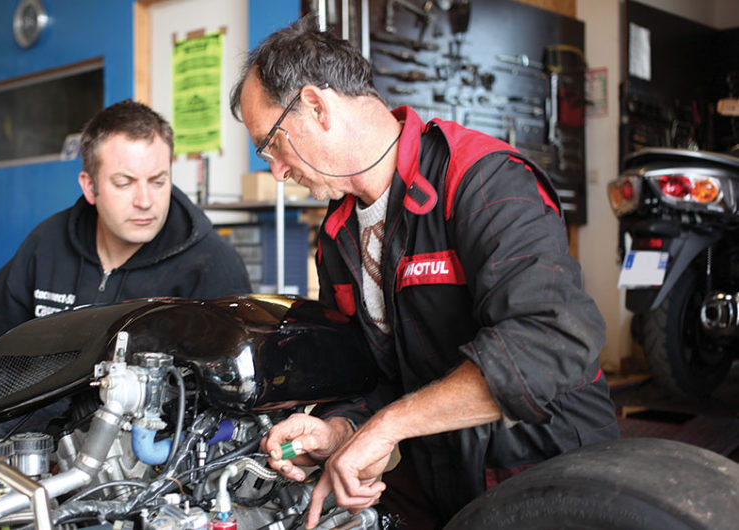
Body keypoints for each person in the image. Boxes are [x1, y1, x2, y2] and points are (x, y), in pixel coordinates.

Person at [230, 16, 619, 528]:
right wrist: (340, 430)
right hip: (437, 481)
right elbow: (367, 372)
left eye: (271, 143)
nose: (276, 170)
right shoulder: (338, 232)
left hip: (546, 471)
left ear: (317, 106)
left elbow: (551, 341)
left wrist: (389, 426)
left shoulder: (481, 178)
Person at [0, 99, 252, 443]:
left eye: (158, 180)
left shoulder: (211, 265)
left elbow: (240, 385)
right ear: (90, 186)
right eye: (125, 182)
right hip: (59, 418)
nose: (146, 200)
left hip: (154, 433)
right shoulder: (50, 244)